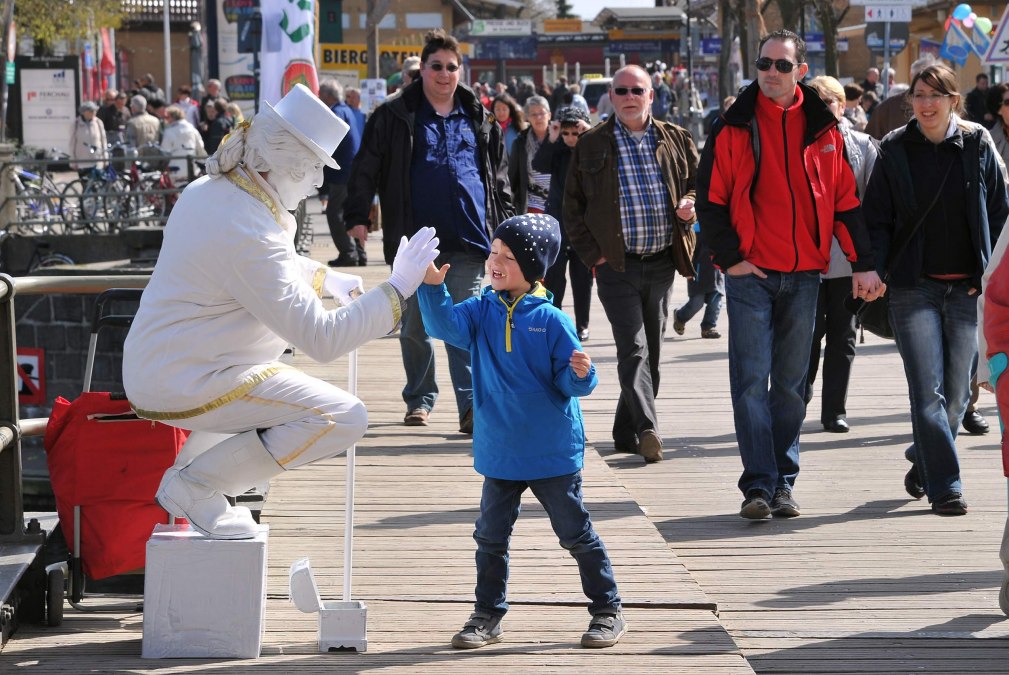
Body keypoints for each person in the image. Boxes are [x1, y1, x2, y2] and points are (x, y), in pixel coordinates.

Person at [122, 84, 441, 540]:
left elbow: (250, 262)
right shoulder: (247, 225)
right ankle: (196, 485)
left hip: (174, 363)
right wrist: (397, 288)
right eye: (312, 169)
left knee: (272, 382)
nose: (316, 183)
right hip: (193, 375)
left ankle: (193, 478)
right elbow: (321, 338)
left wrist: (322, 277)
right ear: (279, 161)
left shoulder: (217, 191)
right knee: (343, 417)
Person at [696, 30, 883, 520]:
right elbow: (711, 201)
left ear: (801, 70)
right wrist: (731, 259)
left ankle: (783, 480)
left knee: (791, 385)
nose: (771, 72)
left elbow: (845, 202)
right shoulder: (731, 124)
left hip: (805, 276)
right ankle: (759, 485)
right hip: (750, 276)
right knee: (752, 382)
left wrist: (862, 262)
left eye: (782, 64)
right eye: (764, 64)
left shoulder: (824, 127)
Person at [417, 213, 626, 650]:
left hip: (550, 451)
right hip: (501, 450)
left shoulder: (551, 320)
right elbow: (443, 329)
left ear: (532, 268)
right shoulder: (478, 309)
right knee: (490, 536)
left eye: (507, 257)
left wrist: (583, 375)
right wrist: (433, 289)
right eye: (493, 252)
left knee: (574, 531)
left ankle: (607, 609)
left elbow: (569, 384)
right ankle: (487, 615)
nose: (495, 262)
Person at [345, 29, 513, 433]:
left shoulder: (479, 115)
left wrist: (506, 226)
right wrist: (357, 215)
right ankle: (420, 397)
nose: (443, 74)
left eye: (451, 67)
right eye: (435, 66)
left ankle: (470, 408)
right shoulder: (394, 114)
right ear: (422, 69)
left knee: (462, 325)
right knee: (417, 328)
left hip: (471, 237)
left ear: (461, 70)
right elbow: (366, 167)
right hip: (415, 242)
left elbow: (499, 175)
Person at [862, 63, 1009, 516]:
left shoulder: (978, 144)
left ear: (953, 101)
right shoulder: (893, 148)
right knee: (927, 392)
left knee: (959, 395)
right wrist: (872, 269)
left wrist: (993, 278)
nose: (925, 104)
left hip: (967, 288)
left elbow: (1001, 212)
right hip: (913, 288)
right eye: (919, 95)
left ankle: (924, 458)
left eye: (935, 96)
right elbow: (877, 219)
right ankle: (946, 486)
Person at [564, 65, 700, 464]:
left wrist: (691, 205)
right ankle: (648, 430)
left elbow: (700, 181)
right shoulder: (591, 143)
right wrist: (595, 255)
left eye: (636, 90)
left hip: (661, 262)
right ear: (611, 96)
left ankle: (625, 431)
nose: (628, 97)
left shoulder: (675, 138)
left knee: (651, 356)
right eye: (620, 90)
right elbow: (571, 208)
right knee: (634, 348)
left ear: (651, 95)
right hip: (616, 266)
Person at [804, 76, 879, 434]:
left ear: (842, 105)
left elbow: (875, 207)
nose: (823, 110)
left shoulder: (863, 146)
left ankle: (834, 409)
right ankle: (797, 396)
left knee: (843, 337)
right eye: (814, 103)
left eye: (829, 103)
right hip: (803, 261)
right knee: (805, 336)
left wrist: (870, 261)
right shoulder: (795, 145)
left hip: (848, 264)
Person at [537, 106, 594, 341]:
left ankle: (582, 325)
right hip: (557, 223)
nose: (570, 138)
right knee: (554, 277)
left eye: (575, 133)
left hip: (583, 225)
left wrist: (589, 135)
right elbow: (539, 164)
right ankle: (554, 319)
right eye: (566, 133)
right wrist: (552, 137)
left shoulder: (590, 149)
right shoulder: (557, 150)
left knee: (583, 280)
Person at [318, 78, 364, 267]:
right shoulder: (346, 110)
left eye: (320, 95)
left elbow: (327, 143)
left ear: (327, 96)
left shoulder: (335, 113)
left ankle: (348, 252)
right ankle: (359, 253)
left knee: (334, 212)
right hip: (352, 170)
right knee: (349, 212)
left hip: (342, 172)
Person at [866, 55, 936, 140]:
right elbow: (869, 145)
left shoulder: (946, 106)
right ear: (911, 76)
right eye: (921, 76)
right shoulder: (887, 109)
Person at [672, 229, 724, 339]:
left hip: (716, 273)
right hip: (698, 272)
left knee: (716, 302)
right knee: (697, 303)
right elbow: (687, 249)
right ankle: (680, 317)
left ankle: (708, 327)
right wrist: (686, 268)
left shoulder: (719, 224)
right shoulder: (694, 226)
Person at [508, 95, 551, 215]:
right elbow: (513, 177)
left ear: (549, 115)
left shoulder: (561, 138)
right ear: (527, 118)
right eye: (533, 114)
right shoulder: (520, 142)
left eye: (542, 113)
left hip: (558, 203)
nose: (538, 118)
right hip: (532, 204)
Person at [160, 105, 206, 181]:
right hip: (193, 168)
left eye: (167, 117)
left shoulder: (169, 131)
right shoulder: (192, 128)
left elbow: (164, 151)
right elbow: (200, 147)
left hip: (175, 170)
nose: (165, 120)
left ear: (171, 117)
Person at [69, 102, 108, 172]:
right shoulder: (76, 123)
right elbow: (72, 143)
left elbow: (103, 141)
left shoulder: (98, 122)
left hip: (97, 161)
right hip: (82, 161)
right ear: (84, 112)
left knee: (97, 182)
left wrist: (105, 159)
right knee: (85, 182)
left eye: (95, 110)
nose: (94, 112)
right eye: (91, 111)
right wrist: (73, 161)